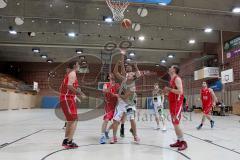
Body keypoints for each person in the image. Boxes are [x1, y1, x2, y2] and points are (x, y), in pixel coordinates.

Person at [111, 55, 141, 144]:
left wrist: (117, 95)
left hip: (129, 103)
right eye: (129, 74)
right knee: (115, 120)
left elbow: (125, 97)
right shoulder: (124, 79)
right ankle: (114, 137)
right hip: (121, 103)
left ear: (133, 78)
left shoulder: (132, 88)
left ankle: (135, 136)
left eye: (131, 74)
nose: (129, 74)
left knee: (132, 119)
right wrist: (117, 63)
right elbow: (115, 72)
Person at [59, 61, 86, 149]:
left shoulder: (71, 74)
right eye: (78, 65)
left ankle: (66, 140)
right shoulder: (73, 73)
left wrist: (77, 92)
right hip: (68, 99)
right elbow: (69, 86)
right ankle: (69, 142)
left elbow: (63, 87)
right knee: (74, 120)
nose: (79, 66)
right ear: (75, 66)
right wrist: (80, 93)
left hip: (67, 98)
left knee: (70, 120)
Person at [164, 65, 187, 151]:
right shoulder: (171, 79)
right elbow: (173, 92)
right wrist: (166, 93)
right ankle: (179, 140)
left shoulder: (177, 78)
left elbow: (180, 92)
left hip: (177, 103)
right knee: (174, 123)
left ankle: (183, 142)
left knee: (176, 122)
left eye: (171, 67)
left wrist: (169, 89)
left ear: (174, 70)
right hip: (173, 103)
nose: (169, 68)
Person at [99, 73, 120, 144]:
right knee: (106, 120)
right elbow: (105, 91)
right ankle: (102, 136)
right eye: (111, 75)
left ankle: (107, 131)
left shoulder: (117, 85)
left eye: (113, 75)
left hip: (117, 106)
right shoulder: (106, 84)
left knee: (117, 122)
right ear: (108, 77)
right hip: (109, 105)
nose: (113, 75)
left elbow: (120, 94)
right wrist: (110, 85)